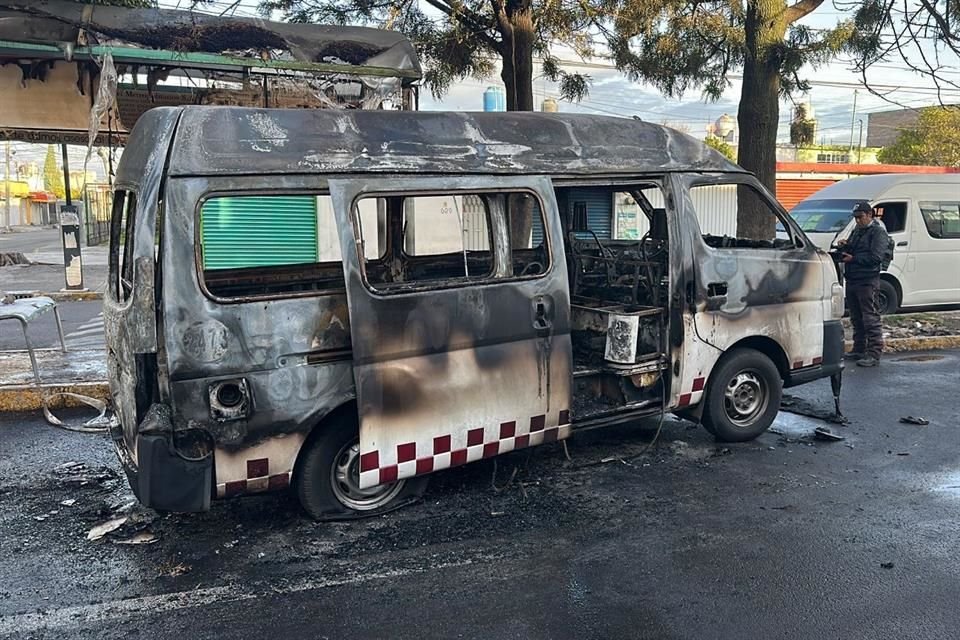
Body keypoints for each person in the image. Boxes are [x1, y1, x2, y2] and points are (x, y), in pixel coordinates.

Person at [836, 202, 890, 367]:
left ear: (869, 215)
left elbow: (875, 257)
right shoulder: (858, 231)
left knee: (870, 318)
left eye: (860, 217)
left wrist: (853, 259)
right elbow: (855, 248)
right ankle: (859, 348)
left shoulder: (878, 233)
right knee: (856, 317)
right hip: (853, 279)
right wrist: (845, 245)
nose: (857, 220)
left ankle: (874, 353)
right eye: (855, 218)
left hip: (867, 280)